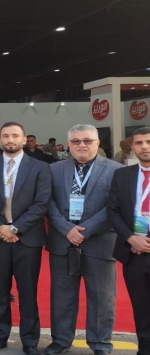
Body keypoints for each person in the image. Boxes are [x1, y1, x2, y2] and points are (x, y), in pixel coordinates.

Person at [45, 124, 120, 355]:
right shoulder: (53, 169)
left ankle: (100, 344)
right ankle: (61, 340)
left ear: (97, 143)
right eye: (76, 141)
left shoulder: (116, 170)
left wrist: (84, 231)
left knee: (102, 297)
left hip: (100, 242)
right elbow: (47, 202)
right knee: (62, 295)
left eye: (87, 140)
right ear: (68, 144)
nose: (81, 145)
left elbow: (115, 206)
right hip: (62, 241)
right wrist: (67, 229)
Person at [0, 122, 51, 355]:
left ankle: (29, 340)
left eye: (15, 136)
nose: (10, 140)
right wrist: (0, 228)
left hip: (27, 240)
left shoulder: (40, 167)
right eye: (6, 136)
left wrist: (15, 229)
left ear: (24, 140)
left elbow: (41, 203)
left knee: (27, 292)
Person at [107, 126, 150, 355]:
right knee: (141, 307)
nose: (144, 147)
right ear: (132, 147)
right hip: (133, 252)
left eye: (149, 142)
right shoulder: (122, 175)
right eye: (139, 143)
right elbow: (113, 211)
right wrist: (131, 238)